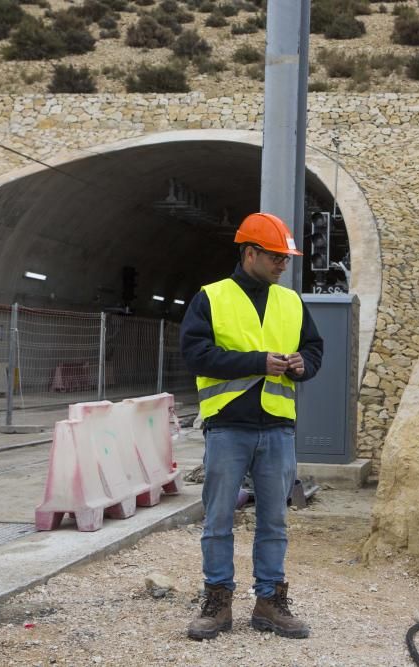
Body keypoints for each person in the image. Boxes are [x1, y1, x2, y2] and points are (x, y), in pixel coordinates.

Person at [180, 212, 324, 641]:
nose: (284, 264)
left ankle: (269, 602)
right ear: (250, 253)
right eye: (277, 256)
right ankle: (217, 600)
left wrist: (303, 366)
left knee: (274, 521)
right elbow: (196, 354)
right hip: (228, 427)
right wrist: (257, 362)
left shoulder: (292, 302)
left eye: (286, 257)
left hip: (277, 427)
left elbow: (314, 348)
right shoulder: (212, 297)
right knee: (219, 519)